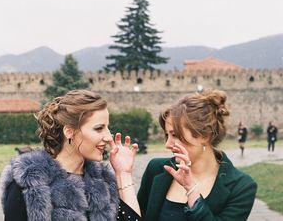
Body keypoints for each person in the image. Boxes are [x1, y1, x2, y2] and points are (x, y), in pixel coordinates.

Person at [110, 89, 257, 221]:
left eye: (175, 135)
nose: (168, 144)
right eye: (167, 135)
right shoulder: (157, 169)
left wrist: (191, 190)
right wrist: (124, 174)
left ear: (204, 136)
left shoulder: (242, 187)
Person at [1, 89, 139, 221]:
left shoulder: (104, 181)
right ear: (69, 132)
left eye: (108, 128)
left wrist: (124, 173)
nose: (109, 137)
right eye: (99, 128)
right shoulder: (30, 184)